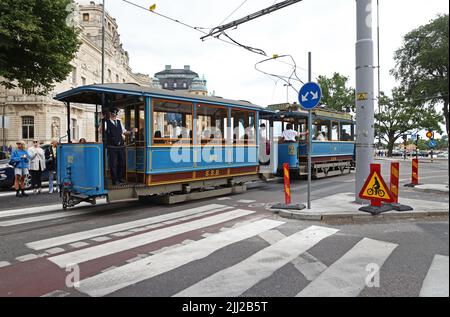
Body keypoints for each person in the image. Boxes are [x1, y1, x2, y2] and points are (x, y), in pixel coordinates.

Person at [104, 108, 137, 185]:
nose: (114, 116)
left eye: (115, 115)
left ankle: (119, 178)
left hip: (121, 146)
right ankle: (114, 180)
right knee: (113, 164)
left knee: (122, 162)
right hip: (111, 146)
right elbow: (100, 130)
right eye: (113, 115)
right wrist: (102, 121)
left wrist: (132, 131)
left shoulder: (119, 121)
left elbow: (124, 131)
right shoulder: (106, 122)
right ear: (110, 114)